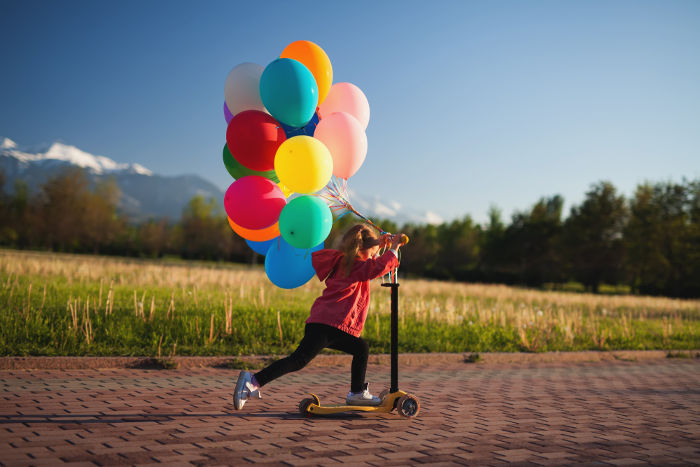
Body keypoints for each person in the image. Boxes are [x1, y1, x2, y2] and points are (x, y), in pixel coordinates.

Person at [233, 223, 404, 410]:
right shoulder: (356, 266)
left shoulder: (346, 262)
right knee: (298, 360)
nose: (374, 256)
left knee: (360, 348)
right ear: (363, 249)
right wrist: (394, 249)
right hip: (329, 325)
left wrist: (380, 245)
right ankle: (253, 381)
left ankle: (357, 392)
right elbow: (374, 268)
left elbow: (372, 265)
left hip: (325, 323)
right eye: (372, 252)